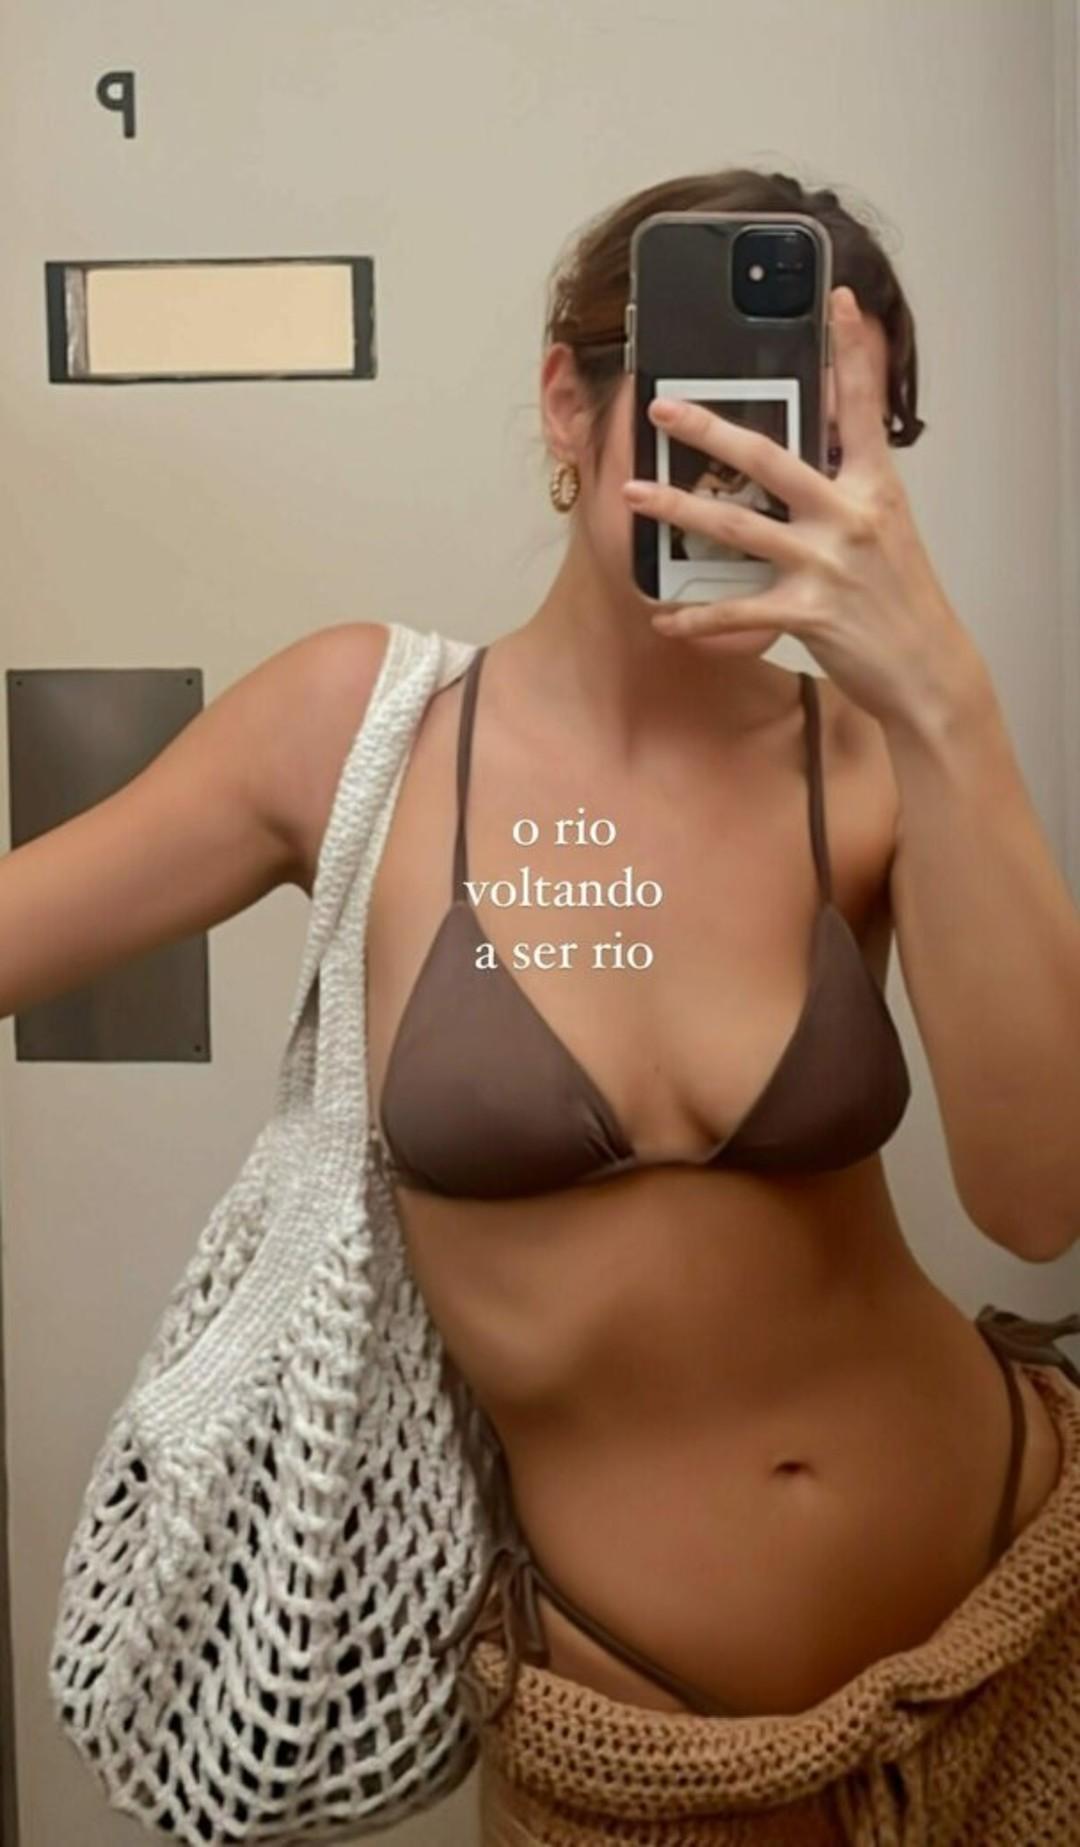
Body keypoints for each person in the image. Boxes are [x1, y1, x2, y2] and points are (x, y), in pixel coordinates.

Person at [9, 168, 1080, 1844]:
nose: (748, 481)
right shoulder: (359, 730)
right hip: (632, 1744)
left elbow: (1039, 1200)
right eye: (709, 416)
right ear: (567, 403)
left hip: (1018, 1631)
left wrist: (941, 687)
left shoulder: (878, 753)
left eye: (815, 446)